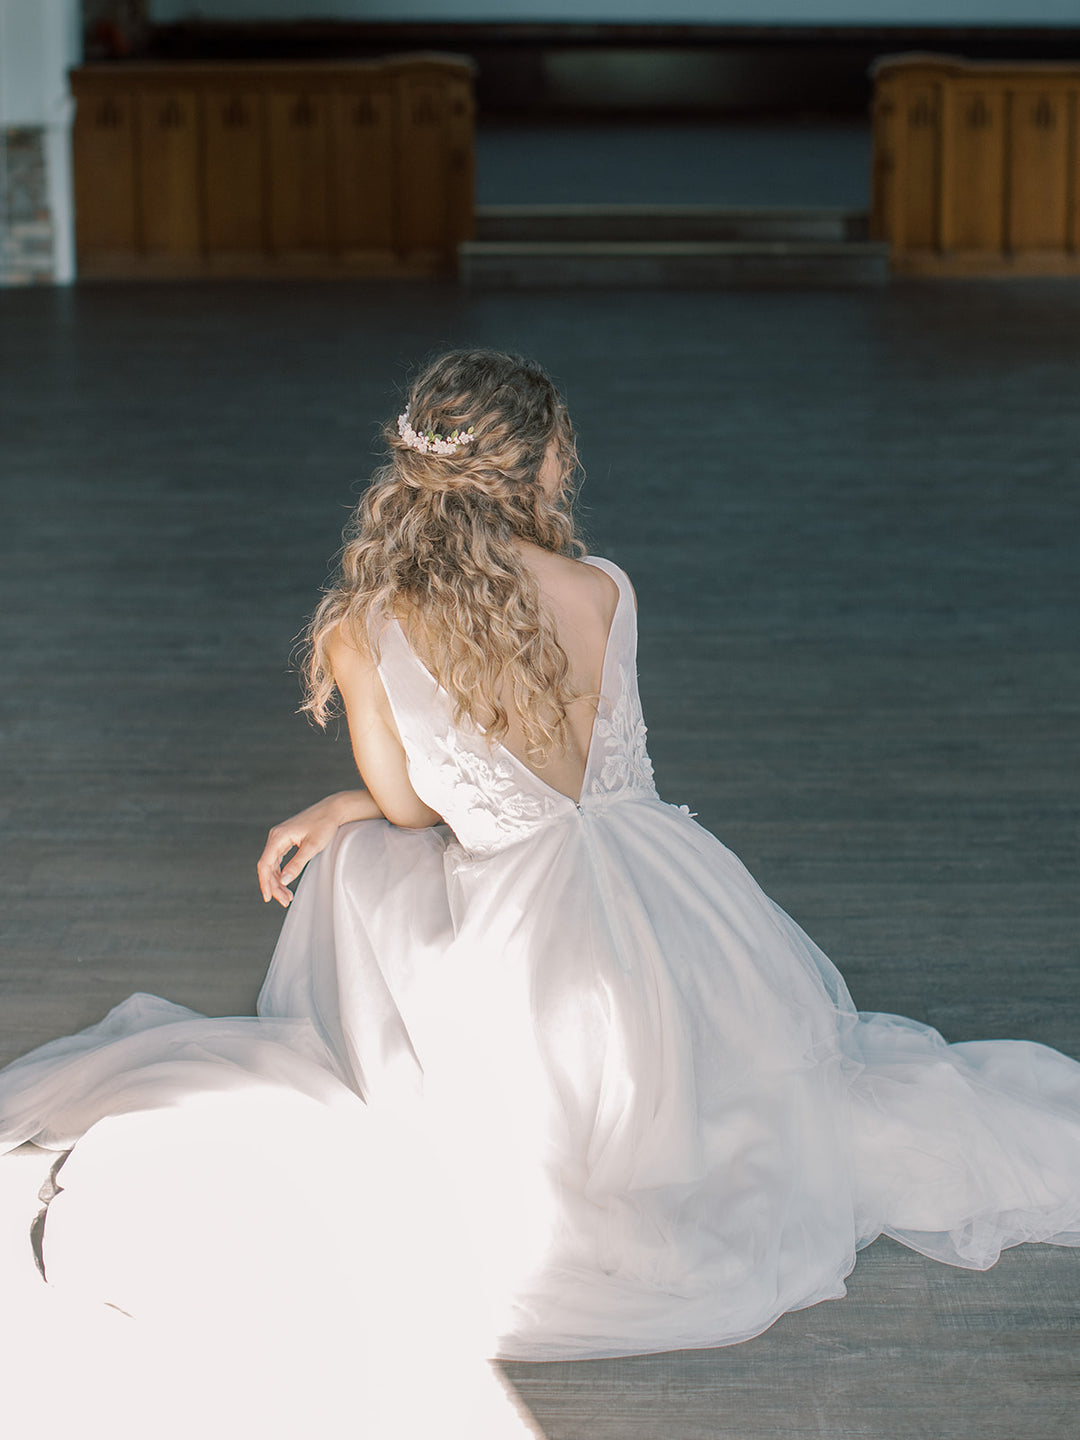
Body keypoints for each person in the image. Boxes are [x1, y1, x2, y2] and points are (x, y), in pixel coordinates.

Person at [2, 350, 1080, 1415]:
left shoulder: (364, 626)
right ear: (544, 464)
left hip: (517, 923)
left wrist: (346, 805)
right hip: (666, 892)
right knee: (770, 1075)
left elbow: (422, 806)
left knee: (364, 861)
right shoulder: (606, 589)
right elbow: (595, 775)